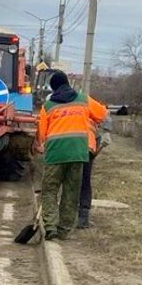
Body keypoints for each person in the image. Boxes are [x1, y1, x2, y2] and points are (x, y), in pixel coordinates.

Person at [36, 71, 107, 240]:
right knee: (71, 192)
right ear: (68, 83)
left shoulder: (48, 107)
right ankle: (64, 230)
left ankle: (50, 226)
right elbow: (102, 114)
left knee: (49, 191)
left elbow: (41, 134)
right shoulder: (84, 100)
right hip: (78, 154)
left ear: (53, 89)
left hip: (55, 155)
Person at [77, 115, 112, 229]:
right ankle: (81, 218)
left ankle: (70, 218)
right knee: (83, 181)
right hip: (85, 146)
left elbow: (105, 114)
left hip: (68, 146)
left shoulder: (53, 100)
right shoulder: (85, 100)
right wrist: (106, 132)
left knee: (71, 181)